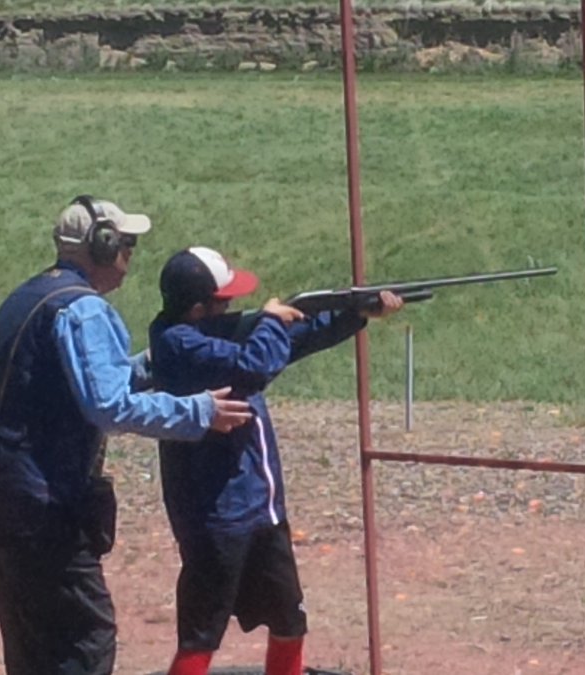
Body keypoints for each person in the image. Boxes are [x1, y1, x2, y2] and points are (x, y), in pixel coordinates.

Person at [0, 197, 252, 675]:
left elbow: (83, 383)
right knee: (83, 639)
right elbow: (110, 407)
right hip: (41, 506)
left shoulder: (32, 294)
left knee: (33, 646)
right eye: (126, 243)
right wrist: (198, 411)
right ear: (103, 244)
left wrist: (155, 364)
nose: (130, 254)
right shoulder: (85, 310)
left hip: (0, 496)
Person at [149, 246, 403, 675]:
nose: (232, 306)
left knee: (289, 621)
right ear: (197, 309)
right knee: (201, 635)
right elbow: (256, 363)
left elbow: (291, 342)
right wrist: (269, 320)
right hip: (218, 519)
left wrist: (354, 315)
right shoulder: (179, 344)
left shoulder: (204, 335)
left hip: (261, 511)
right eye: (222, 301)